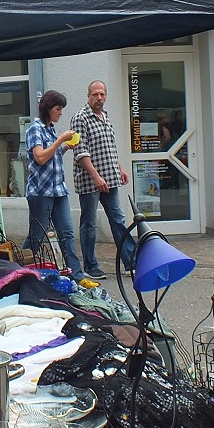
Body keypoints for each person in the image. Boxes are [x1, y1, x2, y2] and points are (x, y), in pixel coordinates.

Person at [24, 90, 97, 289]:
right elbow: (40, 157)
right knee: (37, 234)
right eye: (58, 109)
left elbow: (52, 156)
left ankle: (77, 275)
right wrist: (60, 141)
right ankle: (18, 269)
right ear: (48, 109)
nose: (60, 113)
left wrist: (65, 146)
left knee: (67, 233)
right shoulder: (35, 129)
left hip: (58, 190)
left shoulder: (50, 128)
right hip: (41, 191)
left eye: (61, 109)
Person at [70, 80, 135, 279]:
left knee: (118, 220)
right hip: (90, 181)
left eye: (102, 94)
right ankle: (90, 266)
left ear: (106, 96)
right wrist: (95, 176)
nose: (99, 98)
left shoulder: (106, 117)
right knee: (89, 223)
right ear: (88, 96)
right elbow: (80, 152)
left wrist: (120, 168)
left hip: (111, 178)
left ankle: (130, 262)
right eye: (95, 94)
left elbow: (110, 149)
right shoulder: (80, 118)